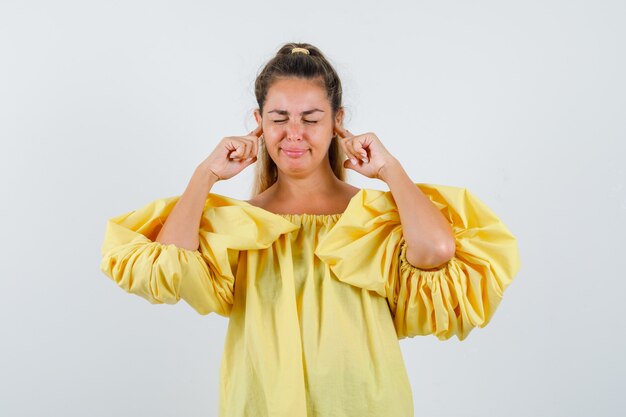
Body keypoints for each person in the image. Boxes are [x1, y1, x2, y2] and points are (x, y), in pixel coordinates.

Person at [100, 42, 521, 417]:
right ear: (258, 122)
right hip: (262, 402)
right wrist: (205, 174)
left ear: (338, 122)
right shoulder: (242, 222)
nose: (294, 134)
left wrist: (389, 170)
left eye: (311, 118)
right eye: (279, 118)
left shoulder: (371, 216)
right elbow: (166, 269)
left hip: (366, 403)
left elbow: (437, 251)